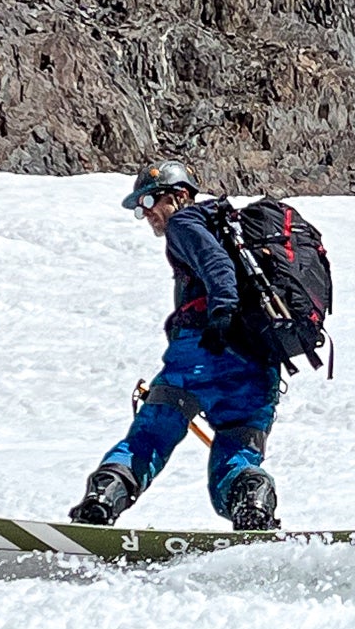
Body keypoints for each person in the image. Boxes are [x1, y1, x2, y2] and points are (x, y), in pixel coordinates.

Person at [68, 159, 283, 530]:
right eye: (141, 208)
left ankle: (101, 501)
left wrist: (221, 313)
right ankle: (252, 501)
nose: (146, 213)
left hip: (201, 351)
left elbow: (217, 265)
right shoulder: (229, 231)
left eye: (151, 202)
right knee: (236, 456)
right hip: (256, 361)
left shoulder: (185, 222)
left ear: (180, 195)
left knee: (151, 434)